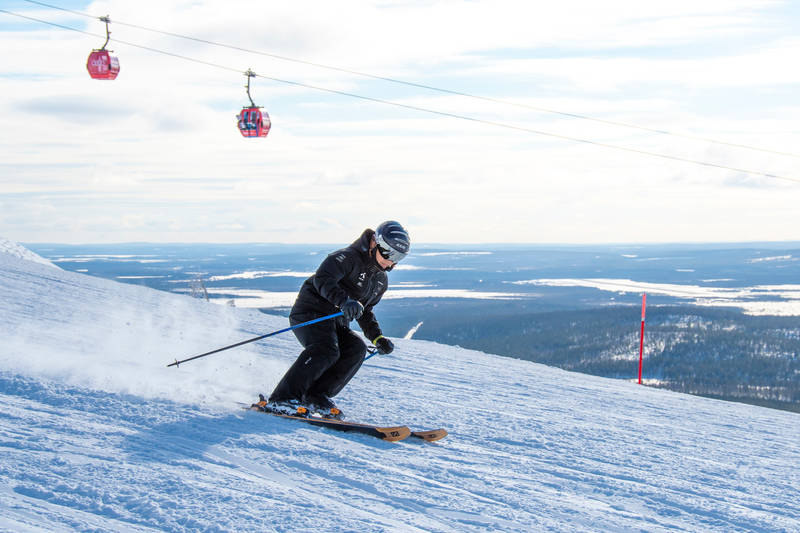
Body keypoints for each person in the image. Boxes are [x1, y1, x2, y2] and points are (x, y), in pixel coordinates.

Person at [259, 221, 410, 419]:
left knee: (356, 349)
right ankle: (282, 398)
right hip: (310, 312)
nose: (392, 262)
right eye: (390, 254)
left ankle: (315, 395)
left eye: (399, 257)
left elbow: (365, 311)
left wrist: (377, 338)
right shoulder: (346, 258)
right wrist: (344, 301)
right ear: (375, 242)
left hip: (335, 321)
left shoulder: (380, 280)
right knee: (326, 349)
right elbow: (322, 279)